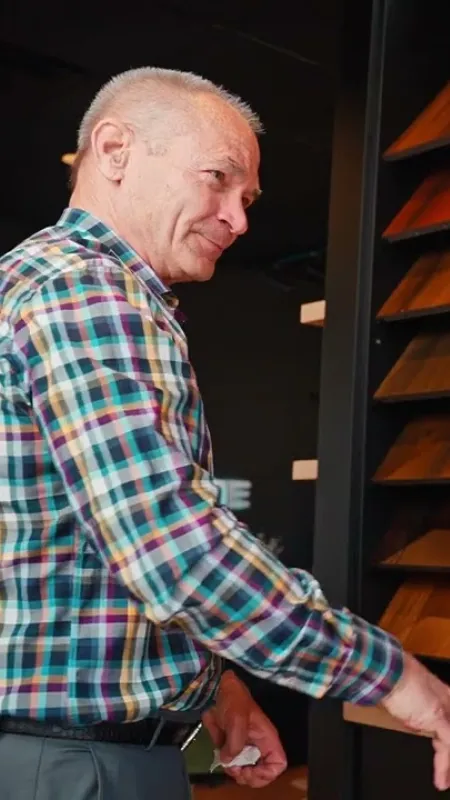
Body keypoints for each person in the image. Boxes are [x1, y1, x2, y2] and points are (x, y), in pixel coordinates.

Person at [0, 67, 449, 799]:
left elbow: (82, 556)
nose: (238, 219)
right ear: (114, 151)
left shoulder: (34, 282)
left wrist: (215, 688)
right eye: (218, 179)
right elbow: (173, 550)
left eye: (247, 199)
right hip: (77, 767)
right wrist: (397, 679)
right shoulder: (87, 291)